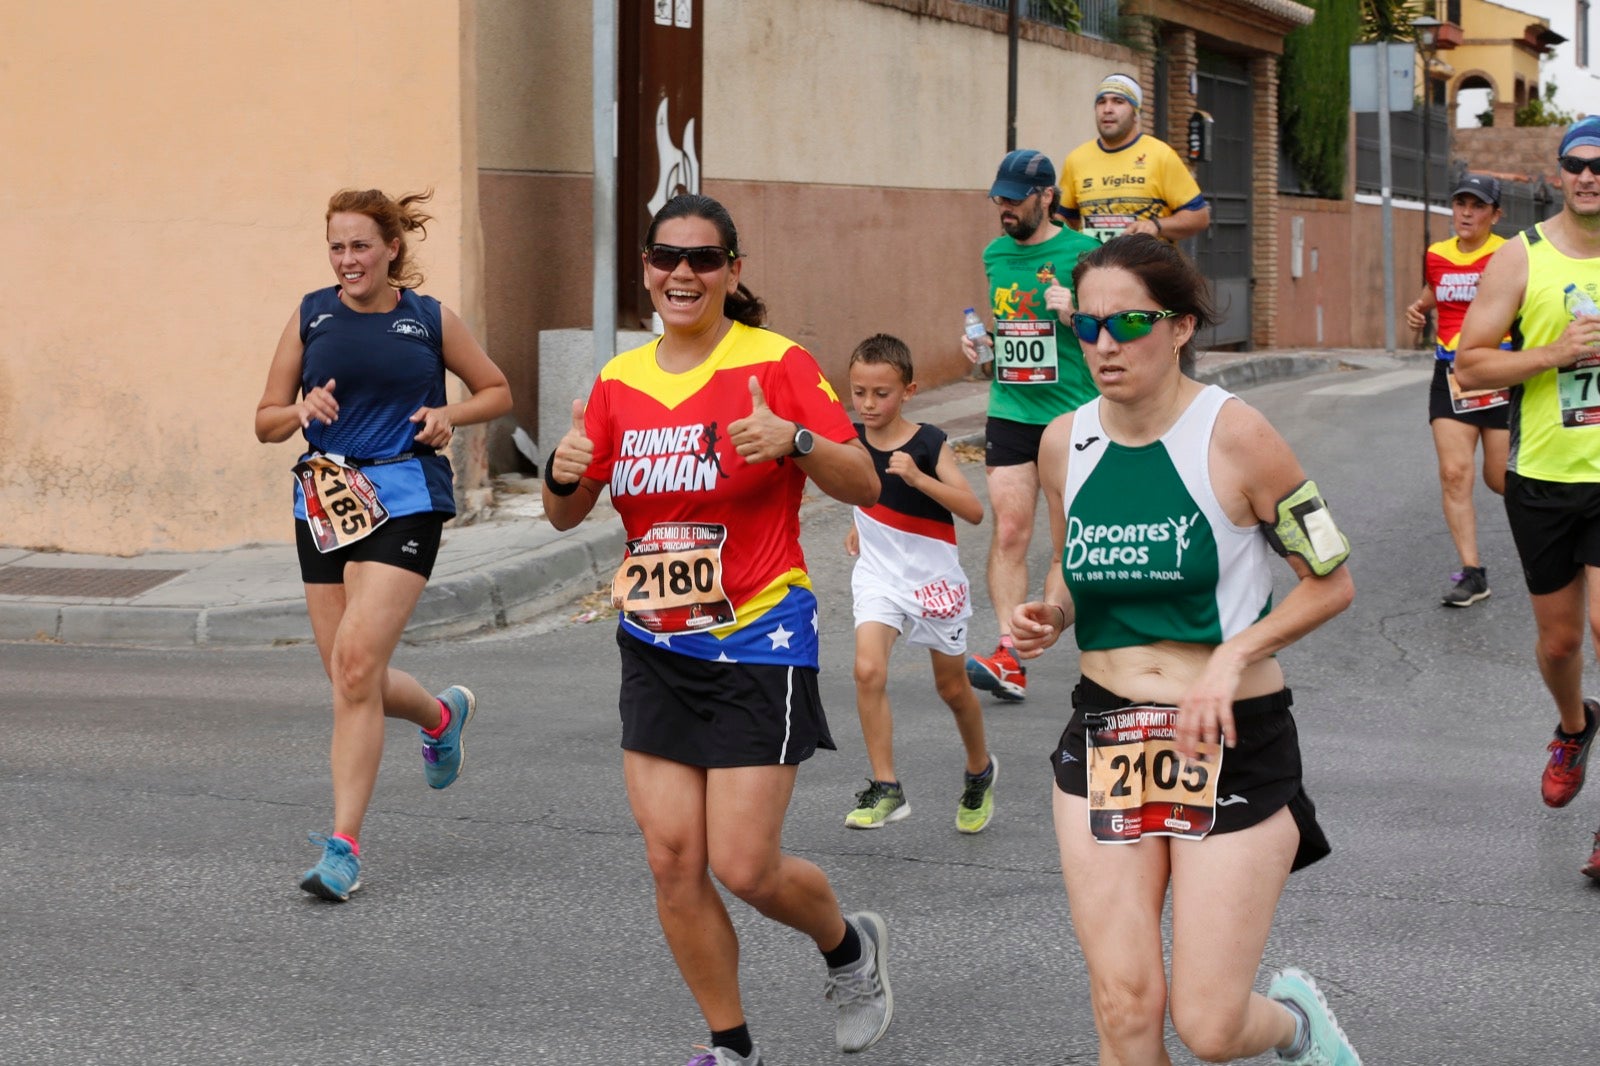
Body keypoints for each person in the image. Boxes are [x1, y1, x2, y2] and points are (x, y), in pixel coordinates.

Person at [542, 193, 893, 1065]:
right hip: (657, 640)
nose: (683, 274)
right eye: (667, 258)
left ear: (734, 271)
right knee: (671, 859)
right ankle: (731, 1045)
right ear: (648, 272)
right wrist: (561, 469)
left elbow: (864, 482)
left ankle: (850, 950)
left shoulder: (775, 363)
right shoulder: (618, 384)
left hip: (759, 635)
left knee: (743, 864)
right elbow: (565, 513)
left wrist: (796, 440)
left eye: (704, 259)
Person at [1011, 234, 1361, 1065]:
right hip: (1108, 734)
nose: (1103, 345)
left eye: (1127, 323)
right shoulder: (1063, 442)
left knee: (1208, 1026)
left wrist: (1235, 656)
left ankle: (1297, 1027)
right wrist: (1053, 613)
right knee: (1124, 1008)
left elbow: (1331, 579)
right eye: (1085, 328)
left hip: (1228, 735)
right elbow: (1072, 560)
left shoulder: (1238, 437)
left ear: (1180, 327)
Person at [253, 188, 512, 901]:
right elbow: (265, 420)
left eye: (360, 245)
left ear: (391, 247)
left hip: (404, 496)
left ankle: (343, 848)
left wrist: (447, 415)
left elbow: (496, 389)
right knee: (348, 677)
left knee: (359, 662)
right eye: (336, 247)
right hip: (325, 502)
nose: (347, 260)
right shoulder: (312, 315)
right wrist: (299, 409)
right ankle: (439, 714)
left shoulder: (427, 320)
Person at [1457, 116, 1600, 880]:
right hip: (1543, 475)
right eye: (1576, 166)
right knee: (1561, 644)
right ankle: (1575, 727)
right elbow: (1470, 369)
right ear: (1559, 173)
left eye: (1599, 167)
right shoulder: (1522, 258)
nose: (1588, 177)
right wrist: (1557, 353)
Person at [840, 333, 996, 833]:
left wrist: (918, 478)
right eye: (858, 391)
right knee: (867, 671)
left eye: (880, 393)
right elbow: (860, 490)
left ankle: (980, 769)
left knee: (951, 688)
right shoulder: (852, 441)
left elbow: (972, 511)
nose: (867, 403)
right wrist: (857, 523)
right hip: (879, 578)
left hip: (933, 582)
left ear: (908, 391)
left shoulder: (928, 442)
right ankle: (887, 787)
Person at [961, 148, 1100, 704]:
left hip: (1070, 414)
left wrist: (1075, 315)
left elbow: (1113, 334)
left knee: (1067, 539)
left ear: (1046, 197)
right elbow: (1008, 332)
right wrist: (982, 348)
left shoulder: (1087, 253)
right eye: (999, 198)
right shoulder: (995, 254)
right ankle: (1009, 653)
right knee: (1011, 530)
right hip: (1011, 409)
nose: (1005, 208)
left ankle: (1069, 633)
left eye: (1015, 198)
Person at [1404, 173, 1511, 607]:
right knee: (1454, 474)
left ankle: (1564, 540)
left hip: (1500, 373)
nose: (1466, 212)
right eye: (1460, 203)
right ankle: (1473, 572)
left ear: (1495, 214)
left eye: (1478, 205)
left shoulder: (1509, 255)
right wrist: (1419, 307)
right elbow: (1437, 289)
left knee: (1502, 478)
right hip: (1450, 374)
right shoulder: (1436, 254)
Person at [1056, 73, 1212, 244]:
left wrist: (1156, 225)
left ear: (1135, 112)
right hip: (1094, 267)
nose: (1107, 109)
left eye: (1118, 101)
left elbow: (1199, 216)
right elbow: (1065, 218)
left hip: (1149, 268)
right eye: (1102, 102)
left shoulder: (1161, 155)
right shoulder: (1076, 159)